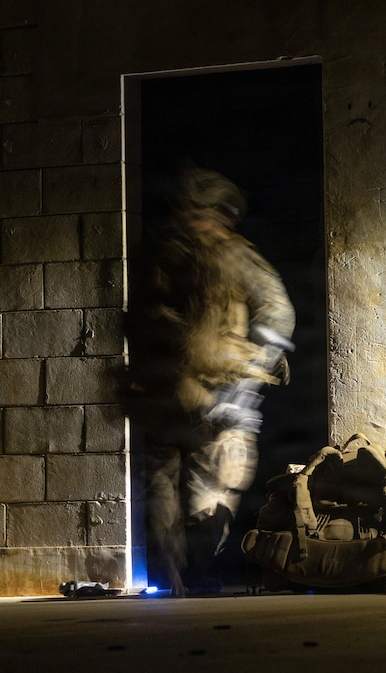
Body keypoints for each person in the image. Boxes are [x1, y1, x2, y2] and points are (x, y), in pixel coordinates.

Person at [126, 167, 296, 596]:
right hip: (206, 401)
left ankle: (176, 584)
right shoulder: (230, 255)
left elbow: (136, 324)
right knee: (208, 489)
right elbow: (278, 316)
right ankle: (192, 580)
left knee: (173, 491)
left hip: (175, 399)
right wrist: (246, 382)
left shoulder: (159, 255)